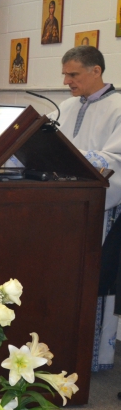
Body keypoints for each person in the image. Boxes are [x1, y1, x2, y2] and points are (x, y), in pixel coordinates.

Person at [57, 46, 120, 371]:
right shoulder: (66, 106)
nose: (66, 81)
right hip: (61, 209)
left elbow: (116, 160)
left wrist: (75, 158)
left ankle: (90, 358)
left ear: (96, 71)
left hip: (100, 214)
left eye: (73, 74)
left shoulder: (118, 107)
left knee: (94, 279)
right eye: (65, 74)